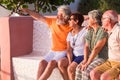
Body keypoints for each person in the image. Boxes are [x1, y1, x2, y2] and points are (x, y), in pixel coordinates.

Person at [21, 5, 72, 80]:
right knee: (42, 63)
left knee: (51, 63)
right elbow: (39, 17)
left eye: (60, 15)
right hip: (53, 51)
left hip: (63, 52)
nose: (57, 17)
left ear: (66, 17)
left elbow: (80, 23)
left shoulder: (71, 26)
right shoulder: (53, 22)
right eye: (57, 14)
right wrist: (28, 11)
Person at [75, 10, 108, 80]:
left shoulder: (102, 31)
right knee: (78, 68)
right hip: (92, 57)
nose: (87, 20)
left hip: (102, 58)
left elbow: (96, 49)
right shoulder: (90, 30)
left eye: (89, 18)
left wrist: (87, 63)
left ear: (95, 20)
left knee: (86, 70)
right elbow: (86, 46)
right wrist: (85, 60)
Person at [90, 10, 120, 80]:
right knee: (93, 73)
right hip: (110, 61)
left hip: (118, 63)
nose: (101, 21)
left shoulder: (118, 31)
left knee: (104, 77)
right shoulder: (109, 30)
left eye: (103, 19)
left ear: (108, 20)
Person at [57, 12, 87, 80]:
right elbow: (69, 49)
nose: (69, 21)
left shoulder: (86, 30)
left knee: (70, 69)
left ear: (76, 21)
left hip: (82, 55)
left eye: (71, 19)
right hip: (73, 55)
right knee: (60, 63)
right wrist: (70, 61)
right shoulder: (70, 34)